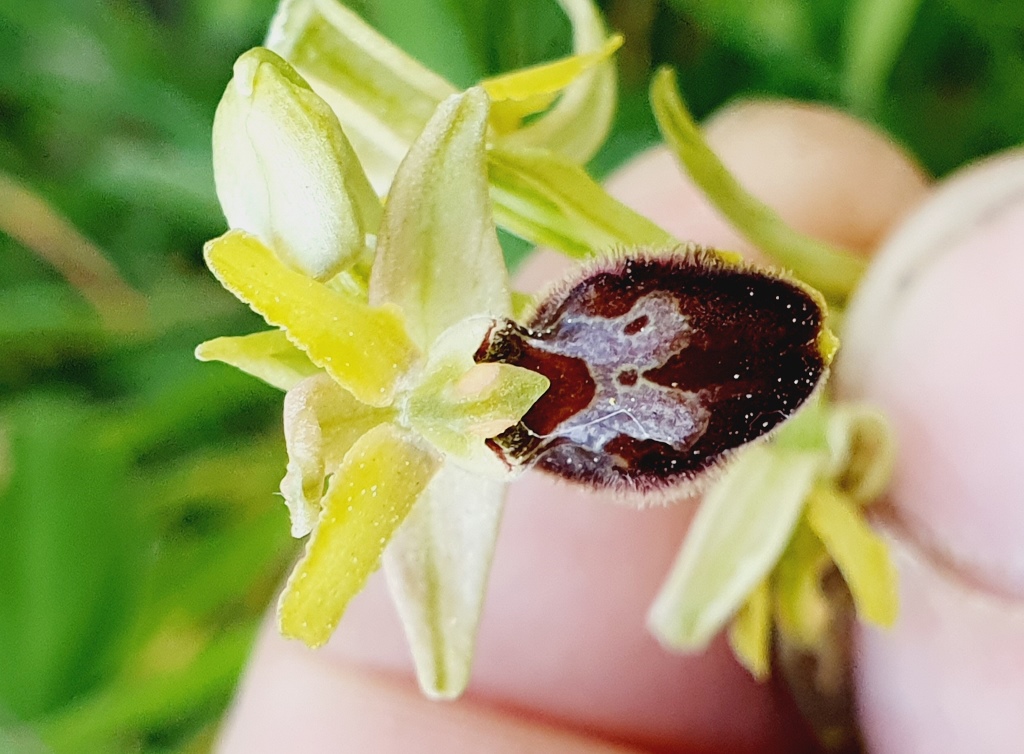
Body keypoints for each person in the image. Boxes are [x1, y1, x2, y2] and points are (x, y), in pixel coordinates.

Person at [217, 101, 1024, 753]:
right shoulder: (435, 509)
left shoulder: (429, 281)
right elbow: (438, 647)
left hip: (659, 343)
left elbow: (454, 141)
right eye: (500, 418)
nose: (497, 397)